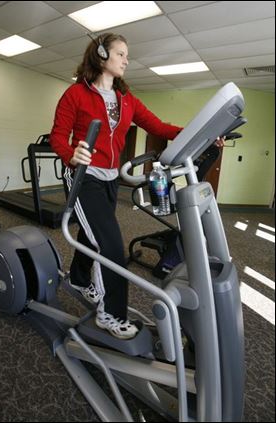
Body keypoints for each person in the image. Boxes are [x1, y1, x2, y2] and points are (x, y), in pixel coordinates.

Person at [50, 33, 224, 340]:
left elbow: (159, 127)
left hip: (109, 178)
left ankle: (78, 278)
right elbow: (57, 136)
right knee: (112, 246)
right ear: (101, 55)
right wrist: (70, 154)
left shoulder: (126, 99)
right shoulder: (75, 94)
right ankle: (110, 315)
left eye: (126, 55)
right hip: (83, 177)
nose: (127, 60)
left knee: (93, 234)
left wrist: (203, 134)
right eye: (121, 54)